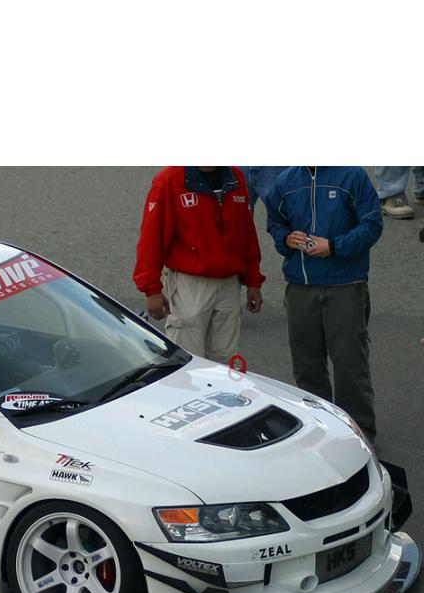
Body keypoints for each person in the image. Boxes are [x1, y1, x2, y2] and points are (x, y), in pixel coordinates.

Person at [265, 166, 383, 442]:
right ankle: (318, 429)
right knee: (306, 365)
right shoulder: (286, 181)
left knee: (350, 364)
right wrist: (286, 239)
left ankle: (359, 433)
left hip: (346, 286)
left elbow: (372, 224)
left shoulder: (353, 176)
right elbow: (275, 223)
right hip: (300, 288)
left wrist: (334, 246)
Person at [133, 166, 264, 363]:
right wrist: (152, 290)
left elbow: (246, 233)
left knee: (224, 363)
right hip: (189, 285)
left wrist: (253, 281)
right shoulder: (169, 180)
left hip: (229, 286)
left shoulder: (235, 176)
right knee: (189, 362)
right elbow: (152, 238)